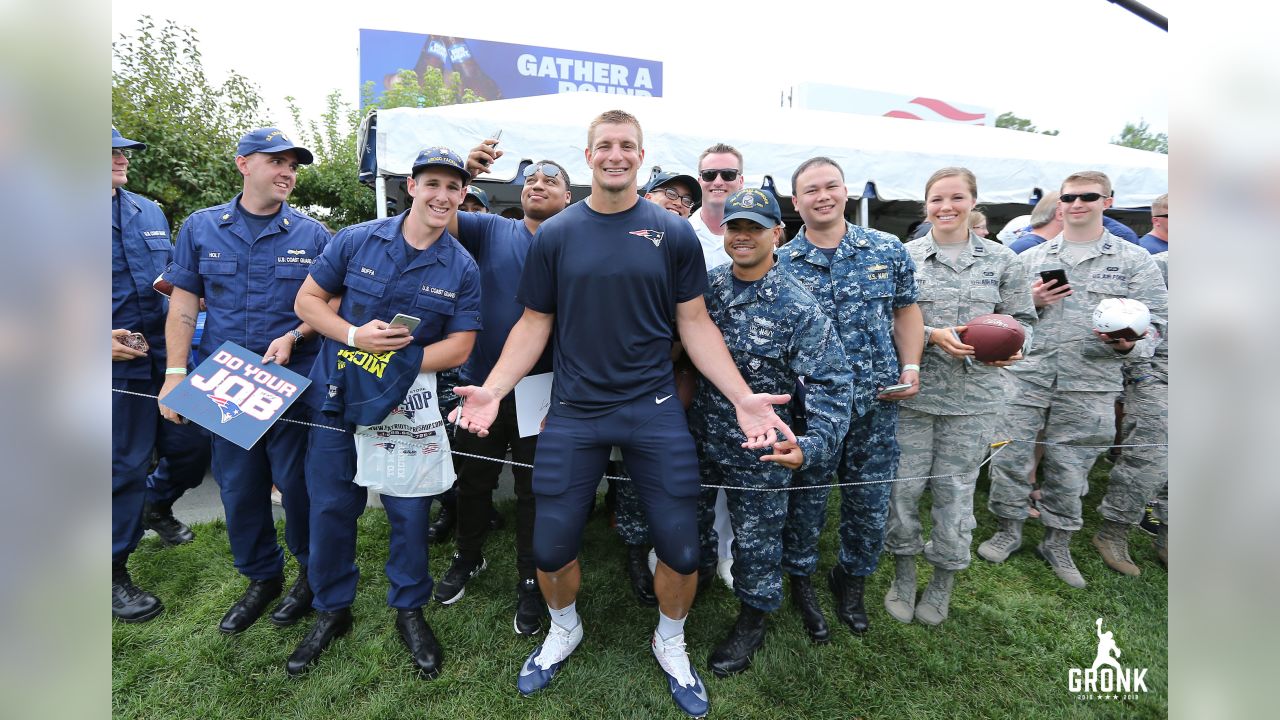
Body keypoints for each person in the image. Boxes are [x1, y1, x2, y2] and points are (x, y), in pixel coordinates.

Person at [451, 109, 794, 719]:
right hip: (576, 410)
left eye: (627, 145)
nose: (616, 154)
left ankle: (671, 639)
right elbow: (535, 323)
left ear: (640, 154)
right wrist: (494, 390)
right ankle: (564, 627)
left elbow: (695, 323)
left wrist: (743, 396)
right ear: (588, 156)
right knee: (550, 546)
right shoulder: (557, 233)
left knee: (683, 549)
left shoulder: (674, 233)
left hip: (652, 409)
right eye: (604, 145)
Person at [288, 146, 482, 677]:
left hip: (405, 405)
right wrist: (354, 336)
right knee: (330, 506)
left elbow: (462, 345)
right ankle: (331, 608)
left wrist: (400, 358)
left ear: (463, 195)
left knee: (410, 509)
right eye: (433, 184)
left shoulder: (461, 267)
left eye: (453, 187)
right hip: (334, 396)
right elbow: (308, 302)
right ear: (412, 187)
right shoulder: (355, 239)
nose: (443, 195)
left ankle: (410, 609)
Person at [158, 127, 329, 633]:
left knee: (297, 488)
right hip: (225, 382)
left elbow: (330, 302)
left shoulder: (313, 234)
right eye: (277, 162)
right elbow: (184, 302)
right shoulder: (201, 227)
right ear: (243, 165)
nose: (287, 173)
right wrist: (174, 374)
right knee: (238, 487)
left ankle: (307, 575)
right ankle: (261, 577)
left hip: (289, 381)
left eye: (293, 166)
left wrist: (296, 335)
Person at [977, 171, 1168, 589]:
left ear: (1108, 200)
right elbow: (1000, 316)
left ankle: (1057, 540)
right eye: (1069, 197)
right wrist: (1032, 300)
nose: (1078, 203)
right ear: (1059, 204)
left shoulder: (1133, 260)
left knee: (1073, 465)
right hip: (1027, 376)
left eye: (1088, 196)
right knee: (1009, 454)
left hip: (1091, 381)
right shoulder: (1030, 259)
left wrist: (1126, 346)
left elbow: (1158, 324)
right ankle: (1008, 529)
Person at [693, 189, 851, 677]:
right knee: (692, 523)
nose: (742, 237)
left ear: (777, 234)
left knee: (757, 541)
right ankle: (693, 585)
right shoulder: (706, 289)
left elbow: (832, 382)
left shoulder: (797, 306)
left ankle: (753, 617)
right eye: (735, 227)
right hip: (699, 435)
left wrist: (810, 447)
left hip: (758, 449)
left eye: (754, 228)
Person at [430, 141, 574, 639]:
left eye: (550, 180)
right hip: (483, 384)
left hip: (547, 391)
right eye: (531, 179)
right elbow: (436, 219)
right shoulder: (491, 228)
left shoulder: (577, 238)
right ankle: (468, 556)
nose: (538, 185)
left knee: (536, 490)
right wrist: (462, 177)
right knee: (474, 481)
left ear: (569, 197)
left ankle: (530, 581)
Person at [776, 157, 924, 637]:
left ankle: (851, 580)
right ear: (795, 202)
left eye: (831, 186)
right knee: (806, 502)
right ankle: (801, 582)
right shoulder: (781, 263)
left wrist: (912, 366)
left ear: (846, 191)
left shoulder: (886, 248)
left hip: (875, 402)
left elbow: (906, 312)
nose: (823, 196)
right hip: (812, 409)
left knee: (869, 500)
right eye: (811, 190)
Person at [884, 168, 1035, 626]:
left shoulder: (1003, 261)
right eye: (936, 199)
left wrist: (1012, 345)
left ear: (973, 202)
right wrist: (930, 334)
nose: (945, 207)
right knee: (902, 493)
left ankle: (943, 580)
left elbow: (1024, 320)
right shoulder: (904, 256)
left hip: (974, 400)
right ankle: (904, 574)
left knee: (955, 495)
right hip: (913, 396)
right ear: (924, 205)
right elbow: (884, 318)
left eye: (956, 198)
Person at [110, 127, 211, 622]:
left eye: (122, 149)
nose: (120, 157)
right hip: (109, 374)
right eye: (106, 151)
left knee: (192, 450)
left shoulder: (147, 210)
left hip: (166, 358)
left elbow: (173, 281)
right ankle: (110, 572)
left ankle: (156, 506)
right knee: (121, 469)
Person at [1094, 245, 1168, 575]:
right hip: (1159, 369)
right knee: (1150, 454)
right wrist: (1134, 346)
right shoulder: (1162, 267)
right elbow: (1149, 319)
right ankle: (1113, 532)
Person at [689, 143, 744, 270]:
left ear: (740, 181)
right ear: (700, 181)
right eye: (709, 174)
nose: (718, 182)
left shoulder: (759, 238)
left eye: (728, 174)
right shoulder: (680, 233)